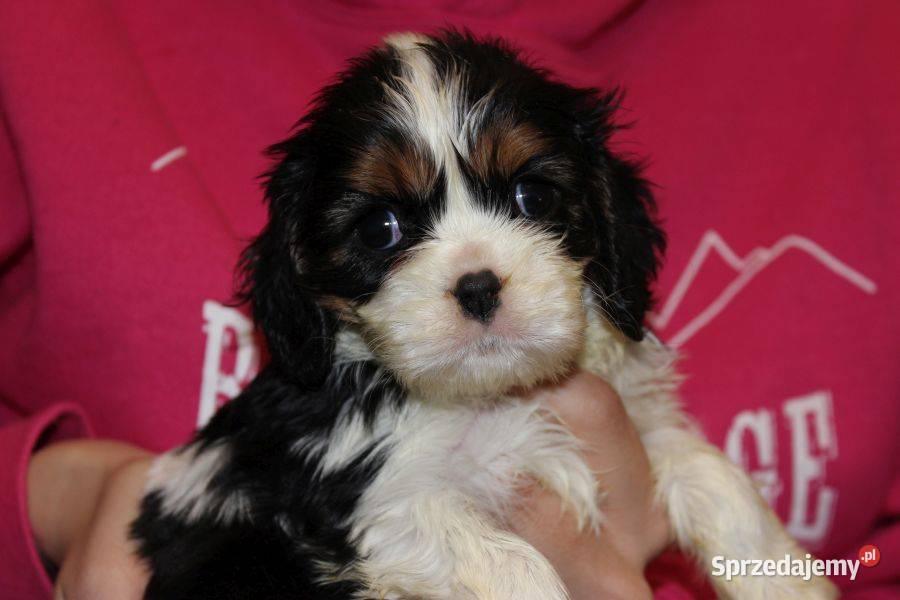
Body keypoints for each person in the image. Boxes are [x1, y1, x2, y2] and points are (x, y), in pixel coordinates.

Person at [2, 2, 897, 599]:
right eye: (386, 232)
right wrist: (55, 498)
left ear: (604, 220)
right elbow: (400, 525)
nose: (476, 270)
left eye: (532, 200)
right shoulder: (358, 420)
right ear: (306, 279)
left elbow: (669, 458)